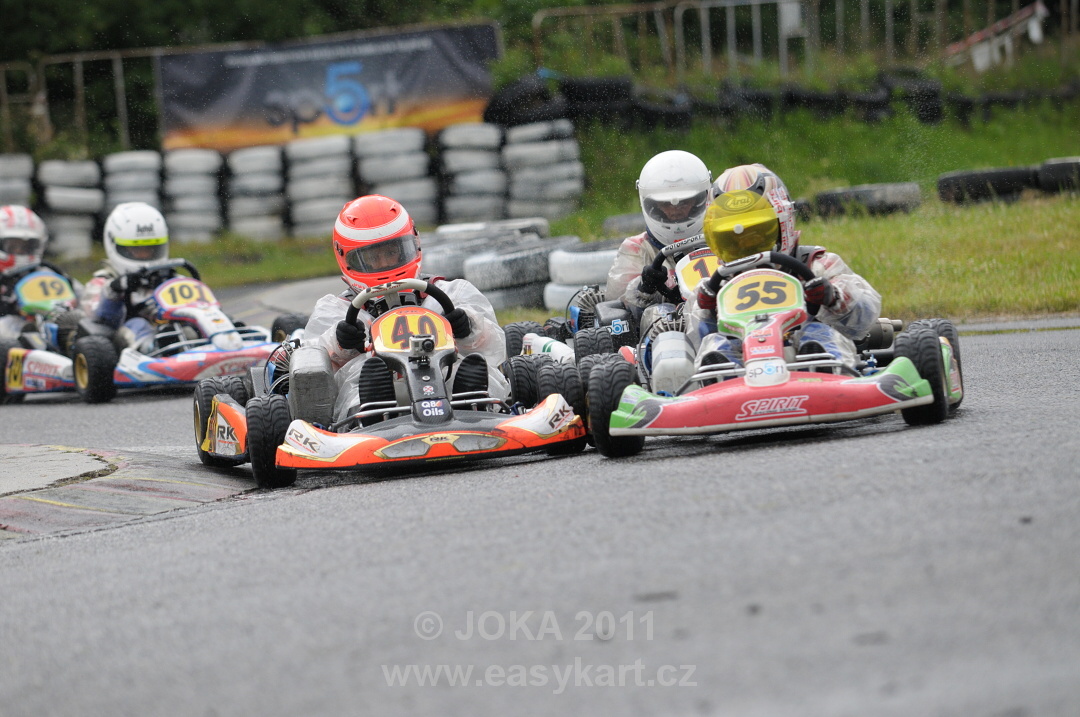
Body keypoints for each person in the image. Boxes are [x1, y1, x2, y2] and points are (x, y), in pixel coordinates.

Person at [302, 194, 509, 422]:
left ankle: (473, 402)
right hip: (375, 382)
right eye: (372, 257)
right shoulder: (336, 309)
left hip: (441, 372)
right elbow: (311, 366)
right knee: (362, 375)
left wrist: (468, 327)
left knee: (469, 367)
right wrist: (340, 343)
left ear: (413, 244)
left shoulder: (451, 293)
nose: (384, 264)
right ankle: (370, 416)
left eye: (392, 252)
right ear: (347, 258)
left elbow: (496, 348)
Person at [689, 164, 881, 370]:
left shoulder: (816, 265)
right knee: (714, 345)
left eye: (756, 232)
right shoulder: (717, 284)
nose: (745, 244)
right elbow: (693, 339)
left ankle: (824, 368)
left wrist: (832, 296)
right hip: (744, 366)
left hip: (806, 360)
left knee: (816, 333)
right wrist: (707, 309)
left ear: (783, 223)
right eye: (732, 238)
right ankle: (720, 378)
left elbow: (867, 312)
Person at [604, 150, 712, 313]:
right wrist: (644, 287)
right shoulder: (636, 248)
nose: (675, 211)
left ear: (700, 199)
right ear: (653, 205)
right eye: (666, 204)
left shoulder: (721, 241)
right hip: (664, 326)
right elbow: (615, 309)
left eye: (684, 202)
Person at [79, 202, 175, 351]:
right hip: (122, 347)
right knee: (137, 324)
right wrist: (115, 291)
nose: (144, 255)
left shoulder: (167, 279)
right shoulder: (102, 283)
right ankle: (152, 348)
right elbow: (96, 319)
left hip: (167, 330)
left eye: (150, 249)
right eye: (137, 249)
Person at [0, 205, 80, 342]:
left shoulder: (47, 273)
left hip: (44, 332)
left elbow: (85, 302)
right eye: (12, 246)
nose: (19, 252)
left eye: (26, 246)